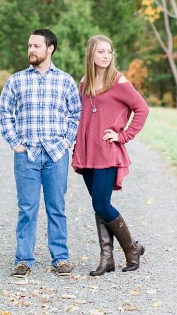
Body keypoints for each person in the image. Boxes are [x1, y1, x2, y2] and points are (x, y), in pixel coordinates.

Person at [0, 28, 82, 278]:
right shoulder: (16, 80)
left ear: (50, 49)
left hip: (56, 155)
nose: (31, 50)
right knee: (27, 208)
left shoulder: (65, 80)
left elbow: (76, 114)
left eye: (36, 46)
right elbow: (4, 113)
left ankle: (61, 258)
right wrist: (15, 143)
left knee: (57, 207)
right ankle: (23, 259)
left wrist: (68, 140)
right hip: (27, 155)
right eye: (29, 46)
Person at [72, 35, 150, 274]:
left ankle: (132, 248)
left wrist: (123, 135)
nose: (106, 56)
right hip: (86, 152)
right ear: (91, 55)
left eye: (109, 52)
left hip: (106, 152)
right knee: (98, 206)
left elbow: (142, 109)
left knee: (101, 203)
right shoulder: (84, 83)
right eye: (101, 52)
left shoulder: (119, 81)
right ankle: (107, 259)